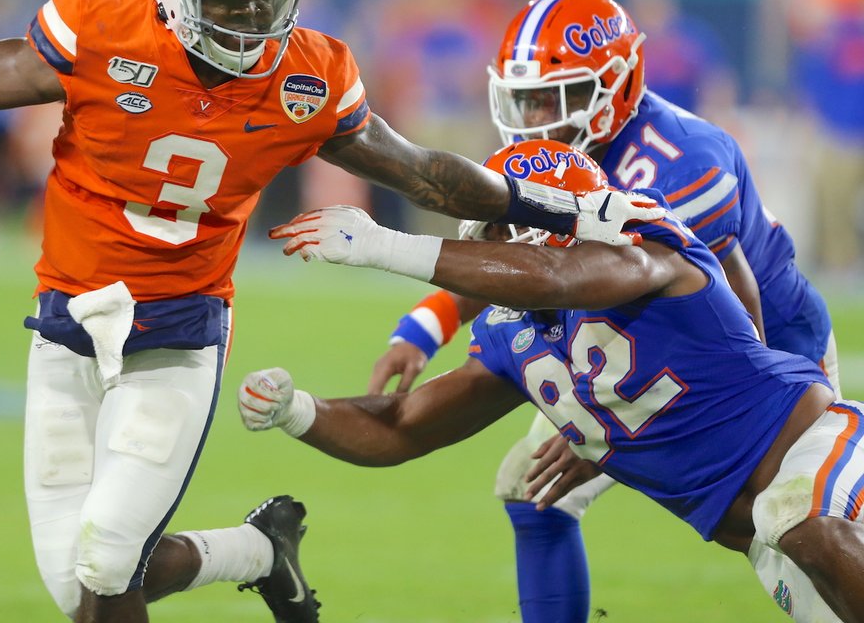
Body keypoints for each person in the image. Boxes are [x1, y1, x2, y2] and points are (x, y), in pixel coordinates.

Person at [0, 0, 660, 623]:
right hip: (65, 325)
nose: (254, 24)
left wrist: (548, 203)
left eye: (270, 2)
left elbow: (422, 171)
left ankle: (245, 553)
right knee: (77, 586)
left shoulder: (306, 77)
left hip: (178, 333)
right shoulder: (101, 29)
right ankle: (259, 551)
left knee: (108, 558)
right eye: (232, 3)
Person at [366, 0, 839, 622]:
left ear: (617, 85)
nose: (536, 119)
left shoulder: (680, 162)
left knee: (792, 536)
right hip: (635, 342)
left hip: (767, 352)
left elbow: (733, 315)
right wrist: (427, 325)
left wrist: (602, 430)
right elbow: (524, 260)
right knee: (532, 492)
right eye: (525, 99)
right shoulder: (558, 155)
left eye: (555, 98)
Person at [249, 139, 864, 622]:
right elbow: (403, 427)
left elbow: (557, 276)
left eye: (498, 226)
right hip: (766, 536)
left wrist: (385, 247)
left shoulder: (646, 245)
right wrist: (297, 411)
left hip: (824, 452)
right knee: (789, 528)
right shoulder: (516, 335)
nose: (486, 241)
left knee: (794, 518)